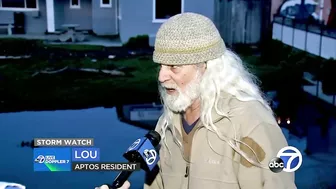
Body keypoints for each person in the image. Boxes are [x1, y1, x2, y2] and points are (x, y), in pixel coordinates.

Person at [97, 12, 297, 189]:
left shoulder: (252, 124)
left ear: (207, 68)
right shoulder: (166, 125)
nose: (161, 76)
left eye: (174, 66)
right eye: (161, 65)